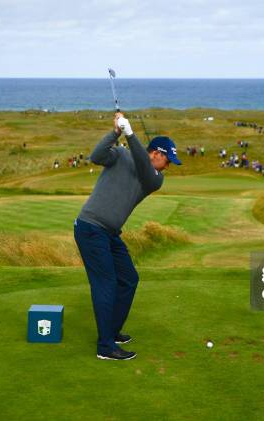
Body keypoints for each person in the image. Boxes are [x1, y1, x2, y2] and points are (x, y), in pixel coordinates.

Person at [74, 112, 181, 361]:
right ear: (157, 153)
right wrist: (116, 133)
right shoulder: (121, 154)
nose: (168, 167)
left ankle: (111, 332)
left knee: (128, 279)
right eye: (168, 160)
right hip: (90, 228)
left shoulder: (155, 179)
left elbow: (143, 168)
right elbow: (96, 156)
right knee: (106, 283)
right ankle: (105, 347)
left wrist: (130, 133)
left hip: (109, 233)